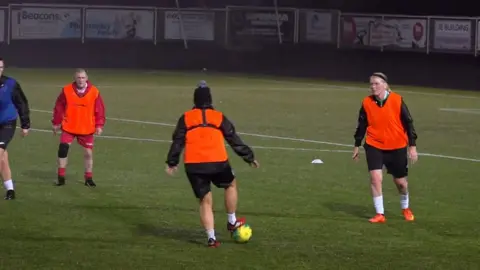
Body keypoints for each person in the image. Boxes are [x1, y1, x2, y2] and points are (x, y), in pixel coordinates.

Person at [165, 81, 259, 248]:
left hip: (194, 165)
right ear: (210, 100)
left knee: (205, 200)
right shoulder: (218, 116)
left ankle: (211, 238)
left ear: (194, 100)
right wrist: (249, 157)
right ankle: (232, 221)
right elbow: (233, 138)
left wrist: (172, 162)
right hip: (218, 161)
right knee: (230, 184)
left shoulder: (186, 117)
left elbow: (177, 141)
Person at [352, 72, 418, 223]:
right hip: (374, 145)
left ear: (385, 85)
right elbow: (362, 125)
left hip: (397, 147)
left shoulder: (397, 100)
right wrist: (357, 145)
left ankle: (405, 207)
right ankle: (380, 214)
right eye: (371, 84)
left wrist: (412, 146)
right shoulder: (367, 102)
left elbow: (409, 123)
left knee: (401, 183)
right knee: (376, 179)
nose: (373, 87)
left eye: (376, 83)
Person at [52, 69, 106, 187]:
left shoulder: (94, 91)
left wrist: (99, 125)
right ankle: (61, 177)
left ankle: (88, 178)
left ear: (86, 78)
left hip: (86, 128)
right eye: (78, 78)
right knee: (63, 149)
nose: (81, 80)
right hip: (69, 126)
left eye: (83, 78)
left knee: (88, 153)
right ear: (75, 79)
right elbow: (59, 107)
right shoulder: (66, 90)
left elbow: (100, 110)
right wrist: (56, 122)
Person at [0, 57, 30, 200]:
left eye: (0, 67)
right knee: (2, 159)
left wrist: (25, 124)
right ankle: (10, 190)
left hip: (7, 123)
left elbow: (21, 103)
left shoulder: (11, 84)